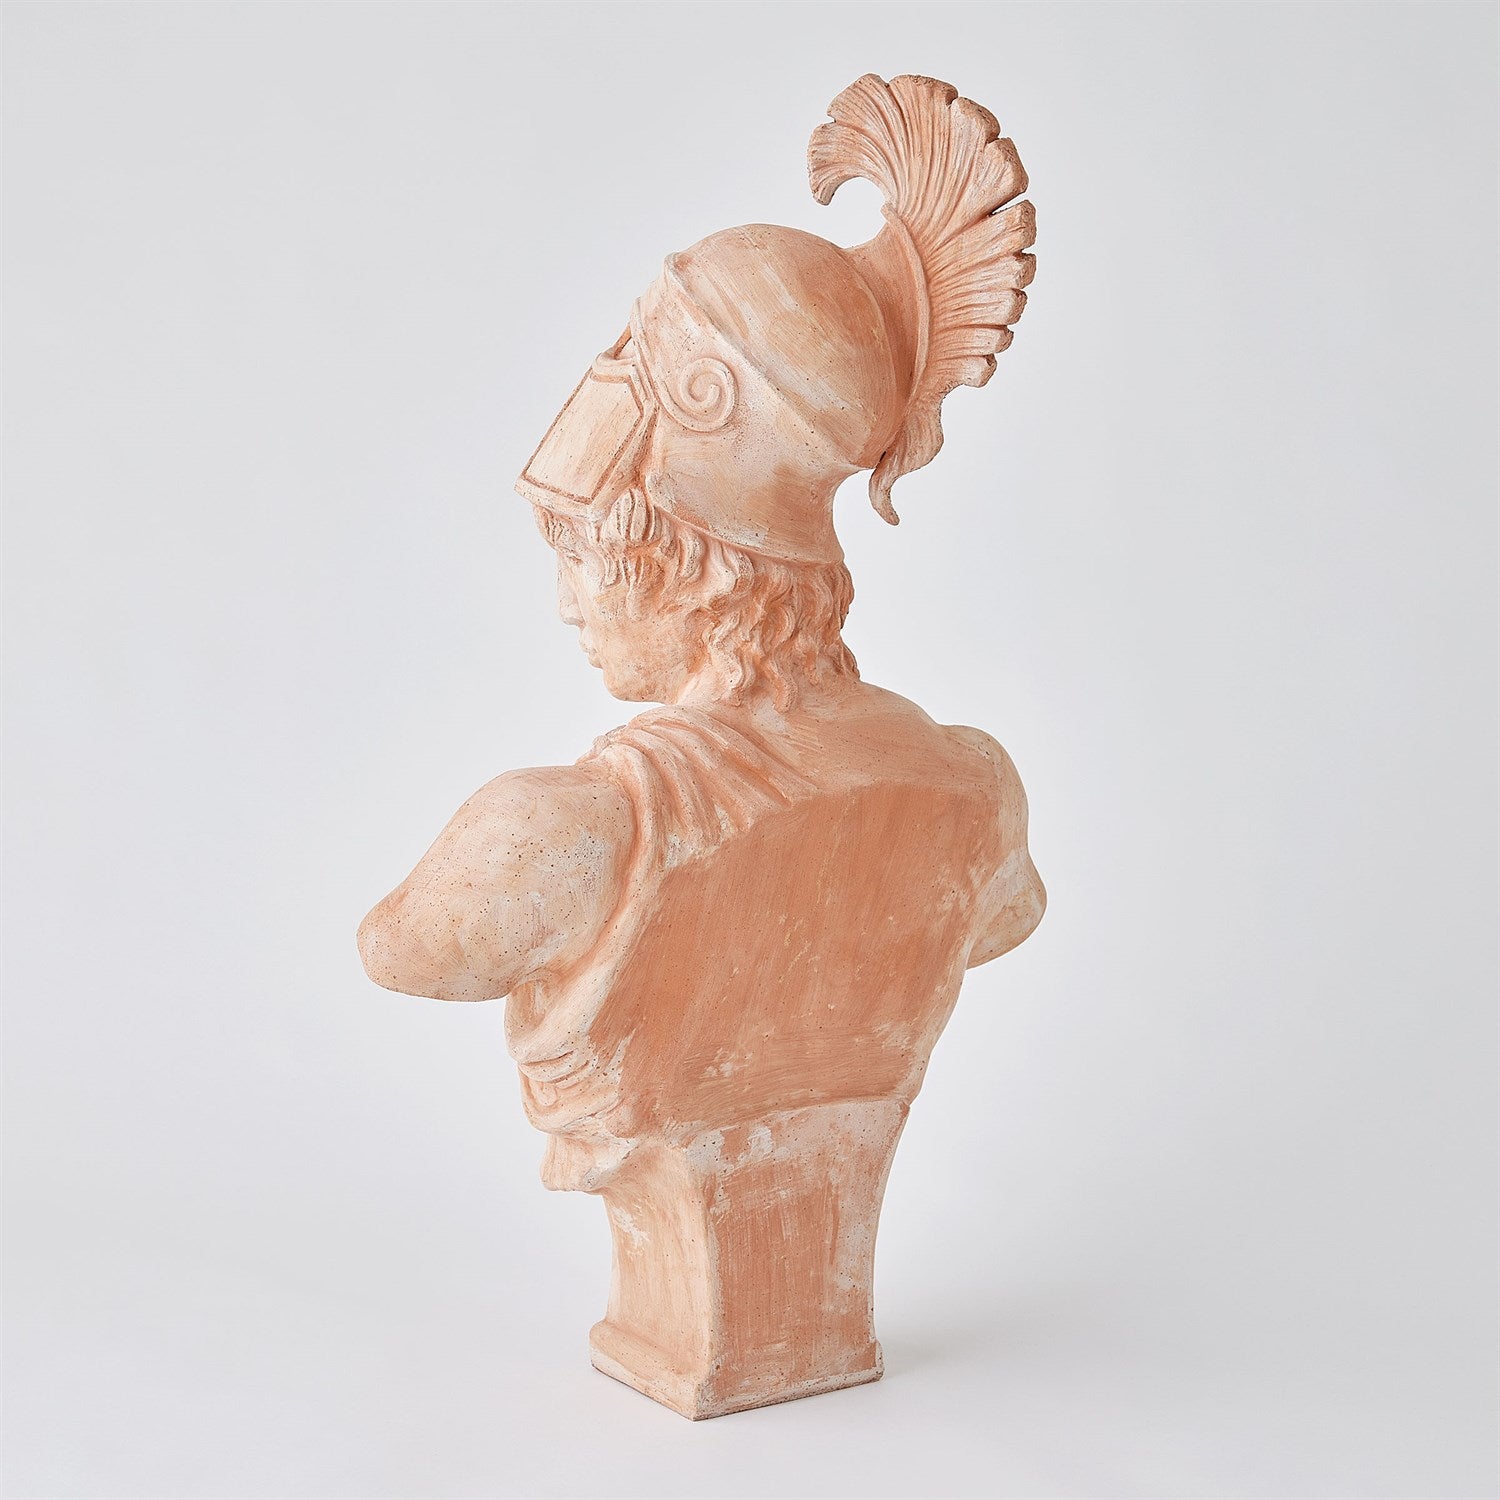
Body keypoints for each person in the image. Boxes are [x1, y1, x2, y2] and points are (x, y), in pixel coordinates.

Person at [359, 73, 1046, 1419]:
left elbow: (401, 948)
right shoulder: (972, 785)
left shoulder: (569, 828)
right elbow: (1011, 916)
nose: (568, 605)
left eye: (591, 558)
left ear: (683, 564)